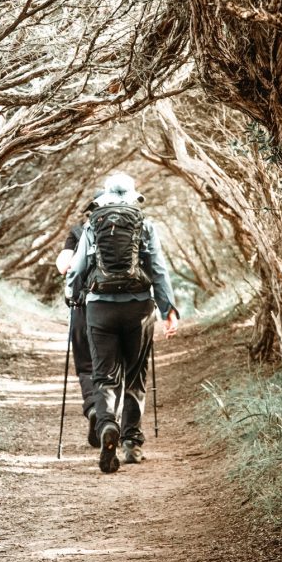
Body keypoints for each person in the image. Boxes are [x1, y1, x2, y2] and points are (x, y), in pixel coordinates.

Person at [67, 172, 179, 474]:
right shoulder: (145, 224)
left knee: (104, 377)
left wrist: (73, 297)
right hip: (139, 309)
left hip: (99, 310)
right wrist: (168, 309)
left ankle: (106, 426)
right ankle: (132, 443)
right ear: (133, 197)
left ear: (104, 197)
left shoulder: (92, 225)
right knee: (135, 375)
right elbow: (158, 269)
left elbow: (77, 270)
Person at [55, 198, 101, 448]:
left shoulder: (77, 231)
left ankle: (94, 407)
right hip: (122, 305)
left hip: (83, 307)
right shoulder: (134, 227)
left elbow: (63, 267)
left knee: (86, 366)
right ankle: (113, 420)